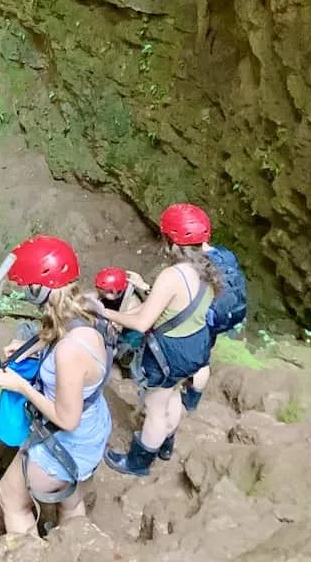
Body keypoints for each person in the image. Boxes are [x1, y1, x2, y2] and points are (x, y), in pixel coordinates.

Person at [0, 234, 112, 536]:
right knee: (70, 503)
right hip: (93, 431)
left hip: (68, 441)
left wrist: (22, 387)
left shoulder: (70, 351)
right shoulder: (87, 308)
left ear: (39, 287)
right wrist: (28, 347)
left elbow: (67, 419)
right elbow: (60, 331)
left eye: (27, 284)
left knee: (10, 498)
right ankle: (76, 545)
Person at [100, 203, 222, 475]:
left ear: (170, 241)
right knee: (173, 395)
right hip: (196, 345)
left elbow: (142, 322)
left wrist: (105, 312)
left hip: (169, 353)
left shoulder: (172, 276)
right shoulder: (210, 266)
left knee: (155, 408)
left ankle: (138, 462)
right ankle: (166, 444)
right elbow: (174, 307)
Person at [174, 204, 248, 411]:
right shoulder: (226, 255)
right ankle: (193, 401)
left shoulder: (195, 266)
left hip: (206, 318)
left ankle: (186, 402)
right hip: (224, 315)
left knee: (196, 357)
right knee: (204, 356)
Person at [93, 266, 148, 367]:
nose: (99, 292)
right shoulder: (112, 294)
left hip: (130, 334)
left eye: (102, 290)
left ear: (113, 292)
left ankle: (126, 362)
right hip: (116, 317)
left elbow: (119, 326)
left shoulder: (131, 303)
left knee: (125, 350)